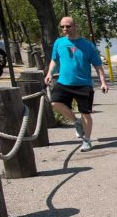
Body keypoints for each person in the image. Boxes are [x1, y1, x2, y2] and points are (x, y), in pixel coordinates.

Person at [44, 17, 108, 152]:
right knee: (54, 103)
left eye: (68, 26)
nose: (65, 29)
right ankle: (76, 122)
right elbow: (54, 60)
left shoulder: (87, 45)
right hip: (64, 82)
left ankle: (87, 141)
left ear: (75, 26)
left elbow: (98, 65)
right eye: (62, 27)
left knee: (85, 113)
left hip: (83, 84)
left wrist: (103, 82)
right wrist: (50, 73)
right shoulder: (59, 42)